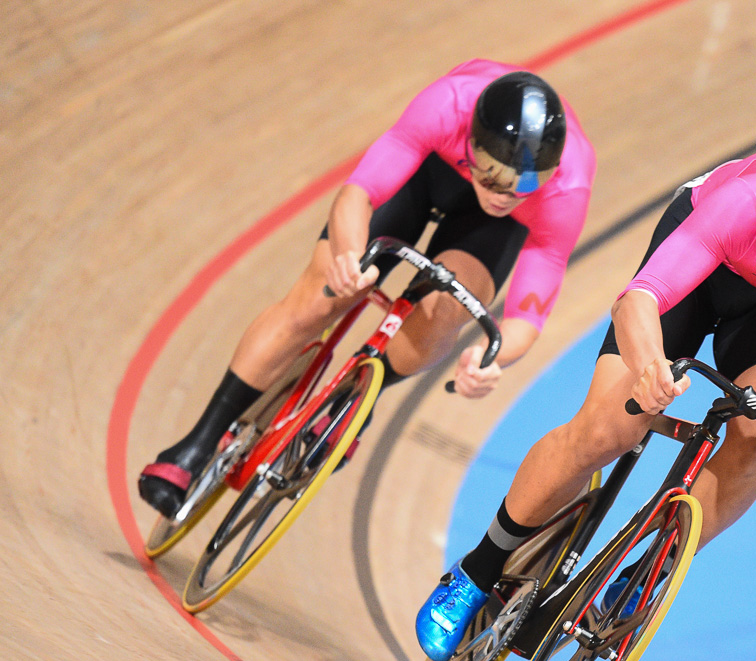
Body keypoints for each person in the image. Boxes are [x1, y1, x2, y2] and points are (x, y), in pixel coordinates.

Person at [414, 143, 756, 661]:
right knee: (608, 430)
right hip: (711, 267)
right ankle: (478, 569)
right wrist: (653, 364)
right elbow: (640, 300)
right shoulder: (743, 206)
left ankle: (644, 572)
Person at [138, 60, 596, 518]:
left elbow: (526, 317)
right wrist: (347, 258)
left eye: (523, 186)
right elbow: (358, 194)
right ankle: (197, 444)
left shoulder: (565, 191)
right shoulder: (447, 106)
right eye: (492, 176)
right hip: (428, 172)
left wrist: (491, 358)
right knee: (317, 299)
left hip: (486, 232)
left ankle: (362, 395)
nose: (502, 195)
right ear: (473, 144)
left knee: (445, 311)